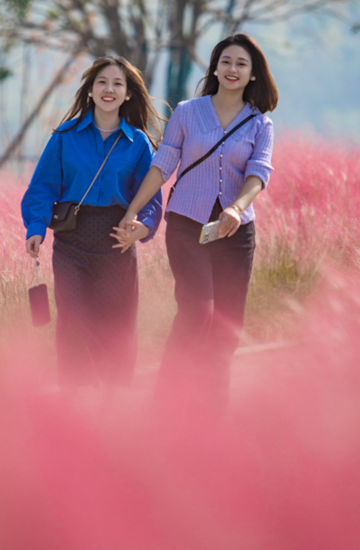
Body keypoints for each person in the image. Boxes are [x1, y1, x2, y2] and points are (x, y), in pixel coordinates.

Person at [115, 34, 278, 403]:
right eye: (226, 61)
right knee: (197, 311)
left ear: (253, 74)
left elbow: (258, 174)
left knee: (227, 326)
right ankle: (168, 404)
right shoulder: (188, 111)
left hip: (236, 232)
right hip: (188, 223)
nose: (232, 69)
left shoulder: (260, 124)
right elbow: (162, 166)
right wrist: (132, 210)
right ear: (215, 67)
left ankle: (210, 415)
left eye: (241, 64)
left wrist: (237, 207)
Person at [22, 56, 163, 388]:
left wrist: (143, 227)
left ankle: (113, 404)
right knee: (71, 321)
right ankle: (75, 400)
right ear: (90, 90)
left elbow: (151, 198)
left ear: (128, 94)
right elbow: (42, 187)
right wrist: (36, 228)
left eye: (117, 83)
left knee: (114, 327)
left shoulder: (139, 143)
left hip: (117, 242)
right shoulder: (65, 136)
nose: (109, 89)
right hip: (72, 242)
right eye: (102, 82)